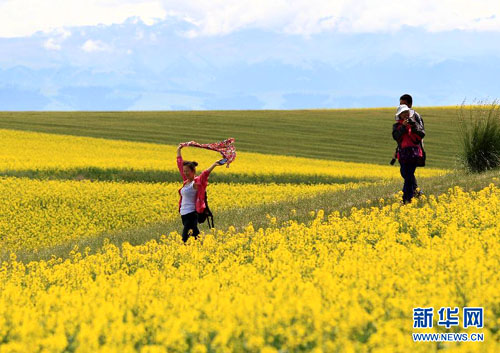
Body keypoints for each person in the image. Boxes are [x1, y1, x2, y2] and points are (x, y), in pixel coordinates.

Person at [177, 144, 225, 242]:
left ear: (193, 171)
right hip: (184, 214)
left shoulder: (196, 183)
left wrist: (214, 164)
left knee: (185, 238)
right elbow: (179, 164)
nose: (185, 173)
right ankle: (205, 247)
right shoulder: (186, 182)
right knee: (195, 236)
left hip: (191, 214)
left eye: (187, 171)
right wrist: (179, 149)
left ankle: (195, 249)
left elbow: (205, 174)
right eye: (184, 171)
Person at [392, 104, 425, 204]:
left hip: (414, 153)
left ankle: (406, 198)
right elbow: (396, 136)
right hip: (403, 154)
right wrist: (403, 127)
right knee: (405, 173)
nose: (405, 114)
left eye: (406, 112)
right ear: (400, 115)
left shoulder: (414, 123)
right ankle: (415, 192)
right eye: (403, 113)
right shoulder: (397, 126)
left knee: (409, 174)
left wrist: (413, 126)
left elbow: (422, 134)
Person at [399, 94, 425, 197]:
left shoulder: (416, 116)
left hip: (415, 149)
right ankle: (415, 191)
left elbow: (421, 132)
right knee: (404, 172)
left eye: (404, 104)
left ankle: (408, 195)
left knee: (408, 172)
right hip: (403, 150)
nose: (402, 107)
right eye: (400, 104)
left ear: (410, 104)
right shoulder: (401, 116)